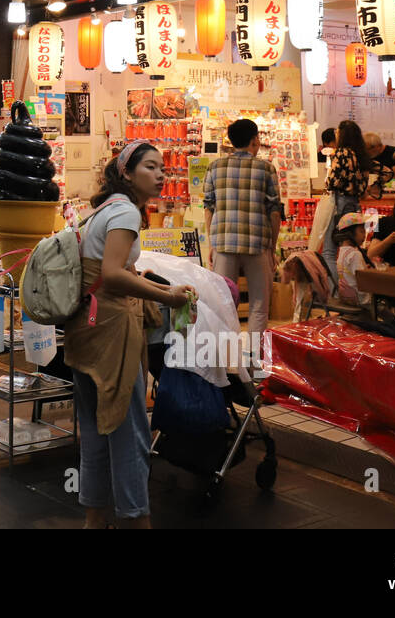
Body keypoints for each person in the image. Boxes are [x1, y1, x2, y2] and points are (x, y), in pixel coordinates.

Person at [68, 141, 197, 528]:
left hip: (85, 328)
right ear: (126, 172)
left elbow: (104, 269)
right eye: (151, 167)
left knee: (94, 435)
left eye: (163, 167)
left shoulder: (102, 208)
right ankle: (136, 521)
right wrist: (167, 295)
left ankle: (95, 521)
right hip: (111, 332)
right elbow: (111, 274)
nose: (160, 174)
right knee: (130, 435)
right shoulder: (125, 211)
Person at [203, 118, 281, 356]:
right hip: (257, 243)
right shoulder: (266, 169)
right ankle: (254, 360)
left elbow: (208, 206)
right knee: (259, 304)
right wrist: (272, 246)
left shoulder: (215, 167)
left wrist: (212, 242)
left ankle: (225, 358)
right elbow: (274, 211)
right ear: (255, 140)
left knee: (223, 302)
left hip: (224, 241)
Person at [318, 120, 376, 282]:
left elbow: (332, 182)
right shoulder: (362, 155)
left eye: (337, 132)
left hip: (339, 203)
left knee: (329, 251)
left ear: (343, 135)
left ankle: (334, 291)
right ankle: (351, 287)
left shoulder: (342, 153)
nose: (336, 134)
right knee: (350, 249)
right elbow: (382, 174)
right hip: (355, 205)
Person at [332, 212, 373, 312]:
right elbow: (363, 279)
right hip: (361, 300)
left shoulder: (342, 251)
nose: (364, 235)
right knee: (388, 312)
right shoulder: (355, 254)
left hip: (346, 297)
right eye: (361, 231)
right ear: (349, 234)